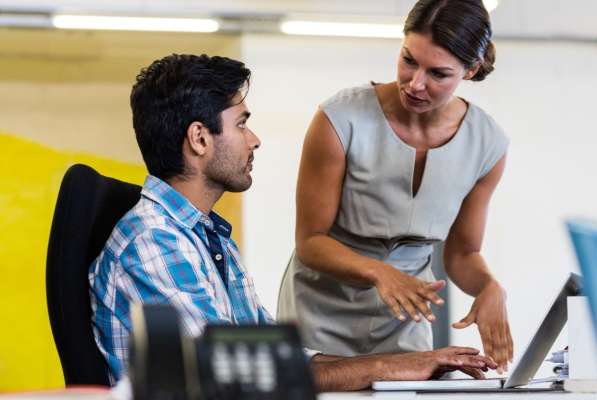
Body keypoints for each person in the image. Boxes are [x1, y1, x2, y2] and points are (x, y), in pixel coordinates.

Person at [88, 53, 496, 391]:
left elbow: (270, 357)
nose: (255, 140)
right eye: (242, 124)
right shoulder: (155, 242)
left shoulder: (207, 238)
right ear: (199, 138)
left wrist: (399, 365)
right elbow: (231, 377)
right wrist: (387, 368)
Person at [278, 0, 513, 373]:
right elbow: (311, 242)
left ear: (470, 70)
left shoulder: (487, 143)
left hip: (406, 312)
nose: (416, 83)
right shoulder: (340, 119)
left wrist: (488, 288)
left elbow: (463, 253)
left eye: (438, 73)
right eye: (408, 60)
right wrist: (379, 271)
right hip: (321, 310)